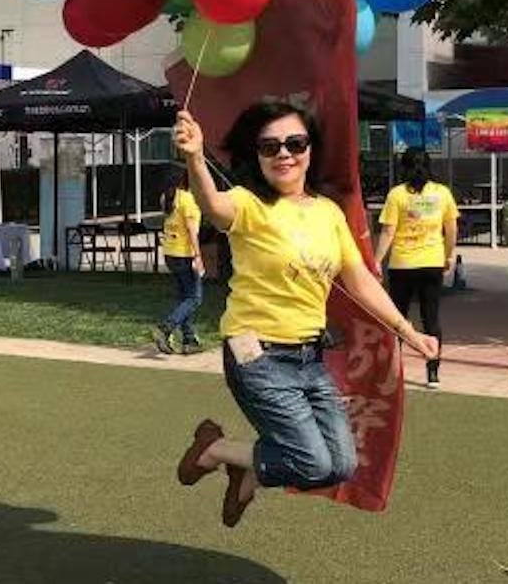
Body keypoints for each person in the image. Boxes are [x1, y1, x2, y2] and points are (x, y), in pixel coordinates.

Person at [171, 99, 438, 529]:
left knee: (341, 465)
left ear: (310, 150)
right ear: (256, 154)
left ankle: (246, 470)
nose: (284, 154)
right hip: (255, 355)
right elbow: (213, 207)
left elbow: (361, 281)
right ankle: (215, 451)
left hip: (310, 359)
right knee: (312, 464)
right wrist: (196, 158)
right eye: (269, 146)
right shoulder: (247, 203)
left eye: (295, 142)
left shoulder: (328, 213)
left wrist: (409, 332)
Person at [376, 147, 458, 388]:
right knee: (430, 318)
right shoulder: (442, 193)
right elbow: (451, 229)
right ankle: (433, 373)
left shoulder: (397, 195)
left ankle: (393, 372)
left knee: (397, 318)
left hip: (402, 264)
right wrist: (448, 256)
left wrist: (376, 260)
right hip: (432, 262)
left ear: (404, 166)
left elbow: (388, 230)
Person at [152, 168, 204, 356]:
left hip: (170, 253)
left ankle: (189, 339)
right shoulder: (187, 199)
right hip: (185, 253)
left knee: (184, 297)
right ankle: (167, 327)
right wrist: (198, 256)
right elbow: (191, 231)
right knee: (194, 298)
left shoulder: (166, 198)